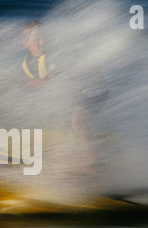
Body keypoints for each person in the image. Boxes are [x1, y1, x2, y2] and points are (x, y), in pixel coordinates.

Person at [20, 20, 109, 170]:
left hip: (93, 89)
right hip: (74, 91)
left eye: (44, 38)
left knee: (77, 121)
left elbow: (55, 82)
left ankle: (97, 162)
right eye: (36, 40)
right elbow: (41, 85)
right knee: (49, 121)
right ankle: (65, 150)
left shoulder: (57, 54)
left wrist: (34, 82)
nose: (42, 43)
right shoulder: (27, 63)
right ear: (25, 43)